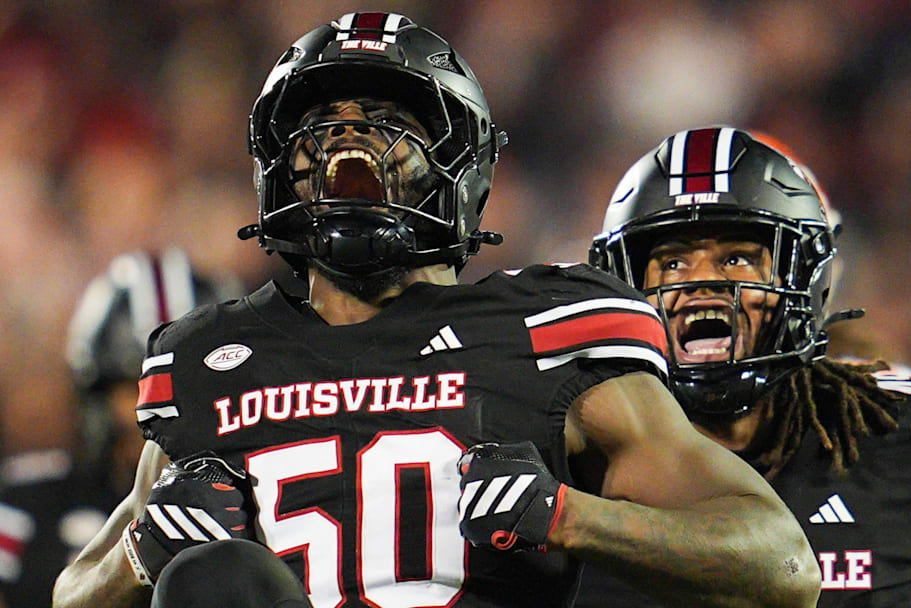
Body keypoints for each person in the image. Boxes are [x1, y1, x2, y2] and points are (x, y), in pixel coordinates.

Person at [52, 15, 820, 608]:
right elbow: (73, 593)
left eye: (391, 121)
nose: (350, 137)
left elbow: (779, 564)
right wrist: (139, 551)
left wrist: (571, 516)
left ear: (462, 166)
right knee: (211, 580)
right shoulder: (209, 358)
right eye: (323, 124)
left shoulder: (547, 329)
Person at [583, 127, 911, 607]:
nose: (702, 284)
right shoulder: (568, 461)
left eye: (737, 258)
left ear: (805, 278)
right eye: (673, 263)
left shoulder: (901, 441)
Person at [0, 248, 238, 608]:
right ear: (96, 394)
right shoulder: (26, 509)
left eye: (186, 388)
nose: (161, 411)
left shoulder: (274, 504)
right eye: (137, 385)